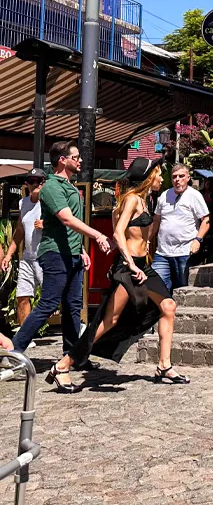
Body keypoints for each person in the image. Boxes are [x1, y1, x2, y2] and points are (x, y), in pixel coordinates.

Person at [46, 157, 189, 392]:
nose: (162, 179)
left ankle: (164, 364)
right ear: (148, 176)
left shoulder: (144, 201)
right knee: (107, 321)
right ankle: (63, 365)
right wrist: (131, 265)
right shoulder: (132, 199)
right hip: (129, 267)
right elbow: (120, 233)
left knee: (168, 306)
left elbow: (123, 237)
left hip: (143, 265)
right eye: (159, 174)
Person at [12, 142, 111, 355]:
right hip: (55, 253)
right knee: (48, 303)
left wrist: (82, 250)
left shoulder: (70, 186)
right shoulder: (52, 187)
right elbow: (66, 219)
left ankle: (73, 357)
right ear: (62, 160)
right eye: (76, 157)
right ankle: (14, 350)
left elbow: (71, 226)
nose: (80, 160)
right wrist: (98, 235)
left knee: (73, 308)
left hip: (72, 254)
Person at [151, 163, 210, 293]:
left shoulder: (194, 195)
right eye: (174, 177)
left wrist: (197, 240)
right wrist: (148, 239)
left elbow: (206, 220)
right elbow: (156, 219)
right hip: (162, 253)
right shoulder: (164, 196)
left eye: (181, 176)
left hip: (185, 251)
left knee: (182, 290)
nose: (177, 179)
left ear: (188, 178)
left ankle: (177, 312)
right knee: (156, 287)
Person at [1, 169, 47, 332]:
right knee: (22, 296)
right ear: (26, 184)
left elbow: (66, 226)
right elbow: (19, 231)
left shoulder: (50, 202)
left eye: (40, 181)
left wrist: (45, 225)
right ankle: (26, 335)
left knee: (53, 298)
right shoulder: (23, 203)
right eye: (32, 181)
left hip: (46, 257)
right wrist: (8, 255)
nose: (36, 184)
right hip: (28, 257)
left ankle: (75, 328)